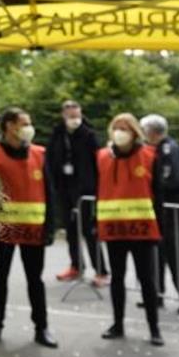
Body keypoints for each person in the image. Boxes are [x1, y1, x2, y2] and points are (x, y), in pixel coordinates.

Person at [0, 108, 59, 349]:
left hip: (33, 230)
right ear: (9, 126)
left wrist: (50, 227)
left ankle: (42, 328)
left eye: (29, 122)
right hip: (3, 230)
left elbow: (50, 192)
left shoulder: (40, 154)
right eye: (24, 123)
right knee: (0, 278)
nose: (29, 127)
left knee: (35, 280)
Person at [97, 113, 164, 345]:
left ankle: (154, 329)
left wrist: (160, 229)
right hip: (114, 231)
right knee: (117, 279)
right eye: (116, 127)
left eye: (125, 128)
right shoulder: (102, 157)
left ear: (135, 132)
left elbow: (159, 194)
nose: (119, 132)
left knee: (147, 280)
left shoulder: (149, 156)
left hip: (142, 231)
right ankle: (117, 324)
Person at [45, 100, 109, 286]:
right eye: (70, 116)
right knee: (71, 231)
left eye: (77, 115)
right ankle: (76, 266)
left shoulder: (88, 135)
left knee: (89, 232)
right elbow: (51, 159)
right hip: (65, 190)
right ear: (63, 115)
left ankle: (101, 271)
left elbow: (97, 162)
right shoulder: (58, 134)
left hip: (86, 192)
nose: (74, 119)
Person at [140, 114, 179, 315]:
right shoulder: (160, 148)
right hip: (161, 211)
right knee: (156, 254)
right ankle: (156, 294)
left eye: (144, 130)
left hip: (171, 211)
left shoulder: (168, 149)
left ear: (152, 132)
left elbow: (171, 180)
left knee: (174, 255)